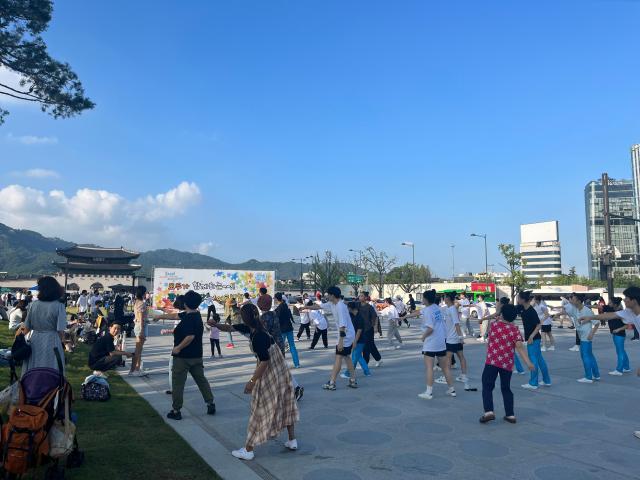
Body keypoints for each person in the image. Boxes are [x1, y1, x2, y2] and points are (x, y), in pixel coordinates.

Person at [213, 303, 298, 461]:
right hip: (281, 370)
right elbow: (230, 328)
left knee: (259, 409)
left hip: (270, 371)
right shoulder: (254, 327)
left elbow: (264, 361)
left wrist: (252, 381)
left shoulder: (258, 336)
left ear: (245, 318)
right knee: (286, 403)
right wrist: (215, 325)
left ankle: (248, 449)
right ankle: (292, 440)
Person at [579, 286, 640, 438]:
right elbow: (609, 315)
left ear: (633, 300)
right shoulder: (630, 312)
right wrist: (590, 318)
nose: (624, 300)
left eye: (626, 298)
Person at [480, 304, 535, 424]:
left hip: (492, 361)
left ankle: (489, 411)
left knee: (487, 385)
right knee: (506, 388)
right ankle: (510, 415)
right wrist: (528, 363)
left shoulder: (494, 325)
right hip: (507, 363)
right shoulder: (515, 330)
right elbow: (520, 347)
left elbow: (490, 335)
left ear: (502, 314)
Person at [166, 290, 216, 421]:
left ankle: (176, 410)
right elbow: (176, 316)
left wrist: (178, 348)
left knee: (178, 384)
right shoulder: (196, 315)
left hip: (183, 357)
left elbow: (190, 336)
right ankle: (210, 403)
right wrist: (160, 317)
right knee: (201, 380)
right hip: (197, 356)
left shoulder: (188, 318)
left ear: (186, 303)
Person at [302, 286, 357, 391]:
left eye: (328, 294)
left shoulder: (340, 306)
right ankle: (353, 380)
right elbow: (319, 307)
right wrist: (306, 307)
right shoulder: (332, 304)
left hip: (345, 335)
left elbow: (342, 326)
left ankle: (332, 383)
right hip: (346, 335)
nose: (326, 296)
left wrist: (340, 342)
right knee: (346, 357)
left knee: (338, 357)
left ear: (332, 295)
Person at [406, 290, 455, 400]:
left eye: (423, 298)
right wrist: (403, 317)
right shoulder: (436, 308)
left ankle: (428, 392)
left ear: (426, 299)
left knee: (429, 367)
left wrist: (423, 337)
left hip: (431, 343)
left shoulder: (428, 311)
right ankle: (452, 389)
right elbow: (418, 312)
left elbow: (430, 328)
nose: (422, 300)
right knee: (445, 368)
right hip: (441, 342)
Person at [21, 276, 66, 377]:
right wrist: (64, 343)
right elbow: (60, 330)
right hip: (52, 339)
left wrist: (20, 340)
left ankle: (31, 386)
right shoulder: (59, 306)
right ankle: (50, 390)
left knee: (34, 365)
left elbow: (27, 327)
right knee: (51, 367)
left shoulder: (34, 304)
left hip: (35, 338)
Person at [518, 291, 551, 390]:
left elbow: (538, 325)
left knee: (533, 360)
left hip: (534, 339)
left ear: (523, 300)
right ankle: (546, 380)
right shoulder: (523, 308)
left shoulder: (531, 311)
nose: (518, 300)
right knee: (540, 359)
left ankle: (533, 383)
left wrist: (531, 336)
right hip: (534, 338)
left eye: (519, 298)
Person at [565, 293, 600, 384]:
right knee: (589, 355)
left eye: (573, 299)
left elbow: (596, 323)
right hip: (581, 335)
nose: (571, 300)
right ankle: (596, 375)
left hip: (586, 335)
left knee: (585, 355)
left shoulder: (587, 310)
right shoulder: (574, 309)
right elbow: (566, 310)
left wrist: (592, 334)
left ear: (579, 301)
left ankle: (588, 377)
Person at [436, 292, 468, 387]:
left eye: (444, 297)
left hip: (452, 338)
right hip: (454, 338)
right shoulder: (449, 308)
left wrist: (460, 338)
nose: (443, 299)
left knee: (448, 358)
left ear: (448, 298)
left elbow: (457, 324)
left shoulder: (452, 309)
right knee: (461, 356)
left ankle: (446, 378)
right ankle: (463, 376)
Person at [340, 302, 371, 378]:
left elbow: (359, 331)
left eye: (348, 308)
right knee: (359, 357)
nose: (347, 309)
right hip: (354, 339)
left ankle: (348, 373)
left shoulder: (360, 317)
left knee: (354, 358)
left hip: (360, 340)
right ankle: (367, 372)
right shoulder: (351, 315)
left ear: (350, 308)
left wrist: (355, 341)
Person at [602, 297, 629, 376]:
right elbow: (600, 307)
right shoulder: (612, 310)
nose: (609, 304)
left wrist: (618, 330)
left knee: (619, 352)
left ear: (615, 304)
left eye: (610, 303)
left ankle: (619, 370)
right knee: (622, 350)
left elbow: (627, 325)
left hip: (619, 335)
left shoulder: (621, 313)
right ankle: (626, 367)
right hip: (616, 334)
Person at [275, 293, 299, 368]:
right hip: (289, 328)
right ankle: (297, 364)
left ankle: (282, 365)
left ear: (276, 299)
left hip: (282, 330)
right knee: (292, 346)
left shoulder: (278, 309)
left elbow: (277, 320)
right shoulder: (285, 306)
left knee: (280, 347)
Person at [358, 293, 382, 367]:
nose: (360, 297)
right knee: (371, 345)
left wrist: (375, 327)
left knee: (366, 346)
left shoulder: (369, 307)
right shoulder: (357, 305)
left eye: (361, 296)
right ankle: (379, 359)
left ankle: (365, 363)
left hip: (368, 329)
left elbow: (375, 317)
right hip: (361, 329)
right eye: (359, 296)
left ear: (365, 298)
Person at [129, 285, 148, 376]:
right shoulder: (142, 303)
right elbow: (140, 318)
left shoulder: (136, 302)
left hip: (138, 325)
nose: (146, 294)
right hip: (141, 326)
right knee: (138, 350)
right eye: (146, 292)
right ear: (143, 293)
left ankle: (137, 368)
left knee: (138, 349)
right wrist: (142, 330)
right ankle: (133, 370)